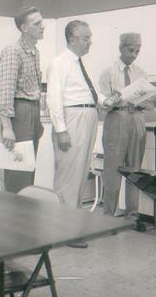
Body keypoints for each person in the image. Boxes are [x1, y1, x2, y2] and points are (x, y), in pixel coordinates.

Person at [47, 20, 119, 248]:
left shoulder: (82, 63)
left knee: (79, 175)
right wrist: (61, 130)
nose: (90, 42)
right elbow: (54, 99)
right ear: (72, 39)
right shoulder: (59, 63)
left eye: (90, 37)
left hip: (88, 117)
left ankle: (72, 227)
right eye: (86, 38)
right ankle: (65, 231)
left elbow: (90, 91)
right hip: (72, 119)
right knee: (68, 176)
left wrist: (107, 100)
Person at [99, 32, 156, 220]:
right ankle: (108, 216)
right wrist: (113, 100)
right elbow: (102, 102)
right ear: (121, 48)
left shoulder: (141, 73)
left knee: (135, 171)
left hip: (137, 118)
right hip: (116, 118)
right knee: (113, 170)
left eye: (138, 51)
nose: (134, 55)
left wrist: (154, 102)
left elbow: (146, 101)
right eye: (131, 50)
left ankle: (132, 216)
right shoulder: (108, 72)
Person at [0, 6, 45, 193]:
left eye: (42, 21)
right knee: (18, 170)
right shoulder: (13, 51)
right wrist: (7, 127)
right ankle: (13, 217)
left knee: (29, 169)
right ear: (24, 28)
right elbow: (4, 90)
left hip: (32, 112)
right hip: (19, 113)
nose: (42, 26)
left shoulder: (33, 52)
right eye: (37, 23)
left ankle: (26, 216)